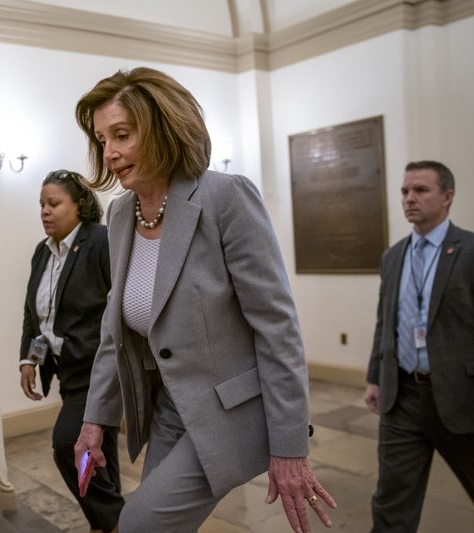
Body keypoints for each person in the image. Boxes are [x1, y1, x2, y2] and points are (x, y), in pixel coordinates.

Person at [71, 66, 336, 533]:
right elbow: (116, 331)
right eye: (102, 139)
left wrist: (291, 446)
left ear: (161, 129)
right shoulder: (119, 215)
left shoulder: (224, 199)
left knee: (138, 523)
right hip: (169, 410)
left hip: (229, 412)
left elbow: (277, 329)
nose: (109, 153)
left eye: (122, 135)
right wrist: (96, 420)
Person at [365, 160, 474, 532]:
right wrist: (375, 377)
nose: (410, 198)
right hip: (403, 399)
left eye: (421, 190)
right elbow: (385, 325)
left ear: (448, 197)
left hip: (464, 402)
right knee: (391, 505)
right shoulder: (393, 257)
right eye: (405, 191)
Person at [19, 169, 125, 533]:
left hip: (97, 369)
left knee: (68, 444)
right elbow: (34, 312)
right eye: (41, 205)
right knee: (100, 452)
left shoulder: (99, 241)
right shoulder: (42, 251)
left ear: (78, 205)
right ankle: (107, 522)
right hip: (66, 370)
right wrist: (29, 360)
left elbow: (119, 301)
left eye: (53, 203)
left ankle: (114, 519)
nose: (45, 212)